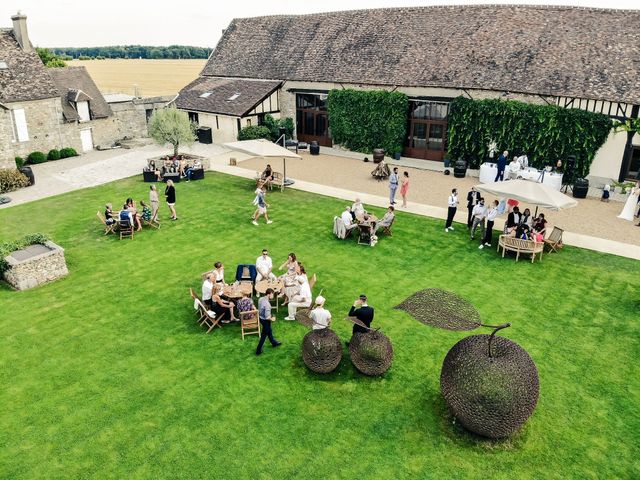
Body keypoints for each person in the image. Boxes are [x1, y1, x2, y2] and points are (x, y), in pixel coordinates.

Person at [256, 288, 282, 355]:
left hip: (260, 318)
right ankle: (258, 350)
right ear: (269, 294)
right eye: (273, 294)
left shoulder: (260, 299)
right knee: (264, 335)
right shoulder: (267, 304)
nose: (273, 296)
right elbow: (267, 317)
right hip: (265, 321)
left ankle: (274, 343)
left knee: (269, 331)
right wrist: (273, 319)